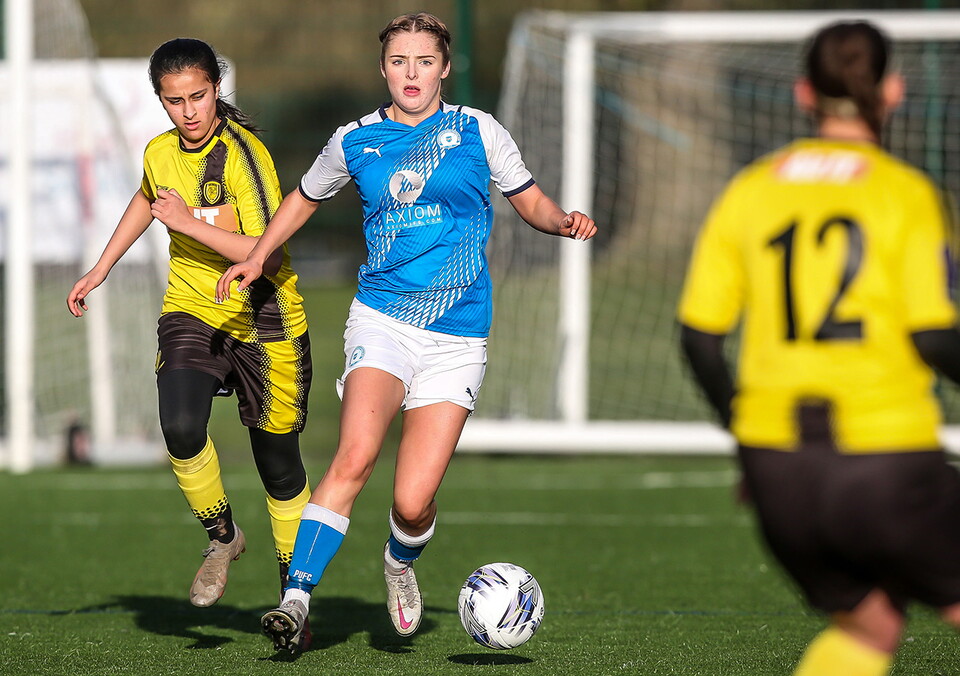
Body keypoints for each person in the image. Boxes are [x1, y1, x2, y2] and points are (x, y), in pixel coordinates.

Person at [215, 11, 596, 654]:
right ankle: (295, 599)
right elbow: (304, 197)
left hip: (458, 336)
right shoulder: (355, 140)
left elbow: (526, 197)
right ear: (383, 68)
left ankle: (399, 564)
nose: (411, 73)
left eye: (424, 61)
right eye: (399, 62)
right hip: (382, 319)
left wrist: (560, 222)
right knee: (353, 456)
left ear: (445, 67)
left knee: (413, 502)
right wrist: (256, 255)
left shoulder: (479, 130)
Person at [678, 20, 960, 676]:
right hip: (884, 458)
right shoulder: (902, 193)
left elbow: (699, 340)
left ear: (805, 93)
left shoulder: (751, 190)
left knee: (869, 628)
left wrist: (745, 432)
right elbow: (935, 337)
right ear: (893, 90)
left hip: (782, 471)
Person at [66, 38, 314, 651]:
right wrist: (101, 268)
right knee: (179, 425)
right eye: (174, 101)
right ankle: (224, 535)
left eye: (198, 96)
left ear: (216, 90)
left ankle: (295, 604)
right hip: (192, 310)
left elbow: (268, 250)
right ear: (161, 100)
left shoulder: (245, 156)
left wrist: (185, 224)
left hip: (265, 319)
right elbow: (149, 199)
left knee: (278, 468)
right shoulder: (158, 150)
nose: (189, 112)